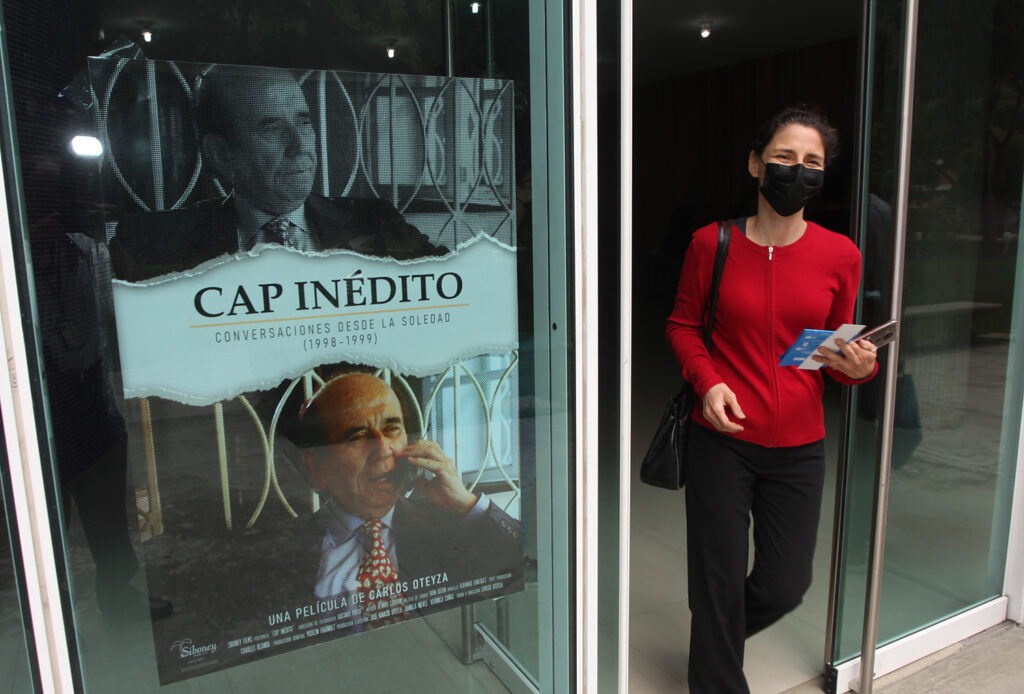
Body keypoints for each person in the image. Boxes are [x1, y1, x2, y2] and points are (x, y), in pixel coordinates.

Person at [665, 107, 878, 693]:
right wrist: (708, 382)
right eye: (785, 157)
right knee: (717, 579)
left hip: (800, 448)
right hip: (722, 440)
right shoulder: (712, 243)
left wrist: (859, 369)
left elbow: (834, 353)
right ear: (756, 164)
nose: (797, 170)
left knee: (786, 585)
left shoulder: (841, 255)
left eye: (812, 162)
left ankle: (714, 642)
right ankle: (716, 676)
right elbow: (682, 325)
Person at [109, 64, 444, 282]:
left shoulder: (376, 222)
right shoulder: (154, 244)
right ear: (221, 154)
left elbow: (453, 291)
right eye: (272, 129)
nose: (300, 146)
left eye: (304, 123)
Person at [294, 372, 521, 619]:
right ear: (316, 467)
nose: (383, 450)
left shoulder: (452, 523)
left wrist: (465, 504)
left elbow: (524, 574)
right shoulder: (286, 549)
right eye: (357, 437)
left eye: (392, 429)